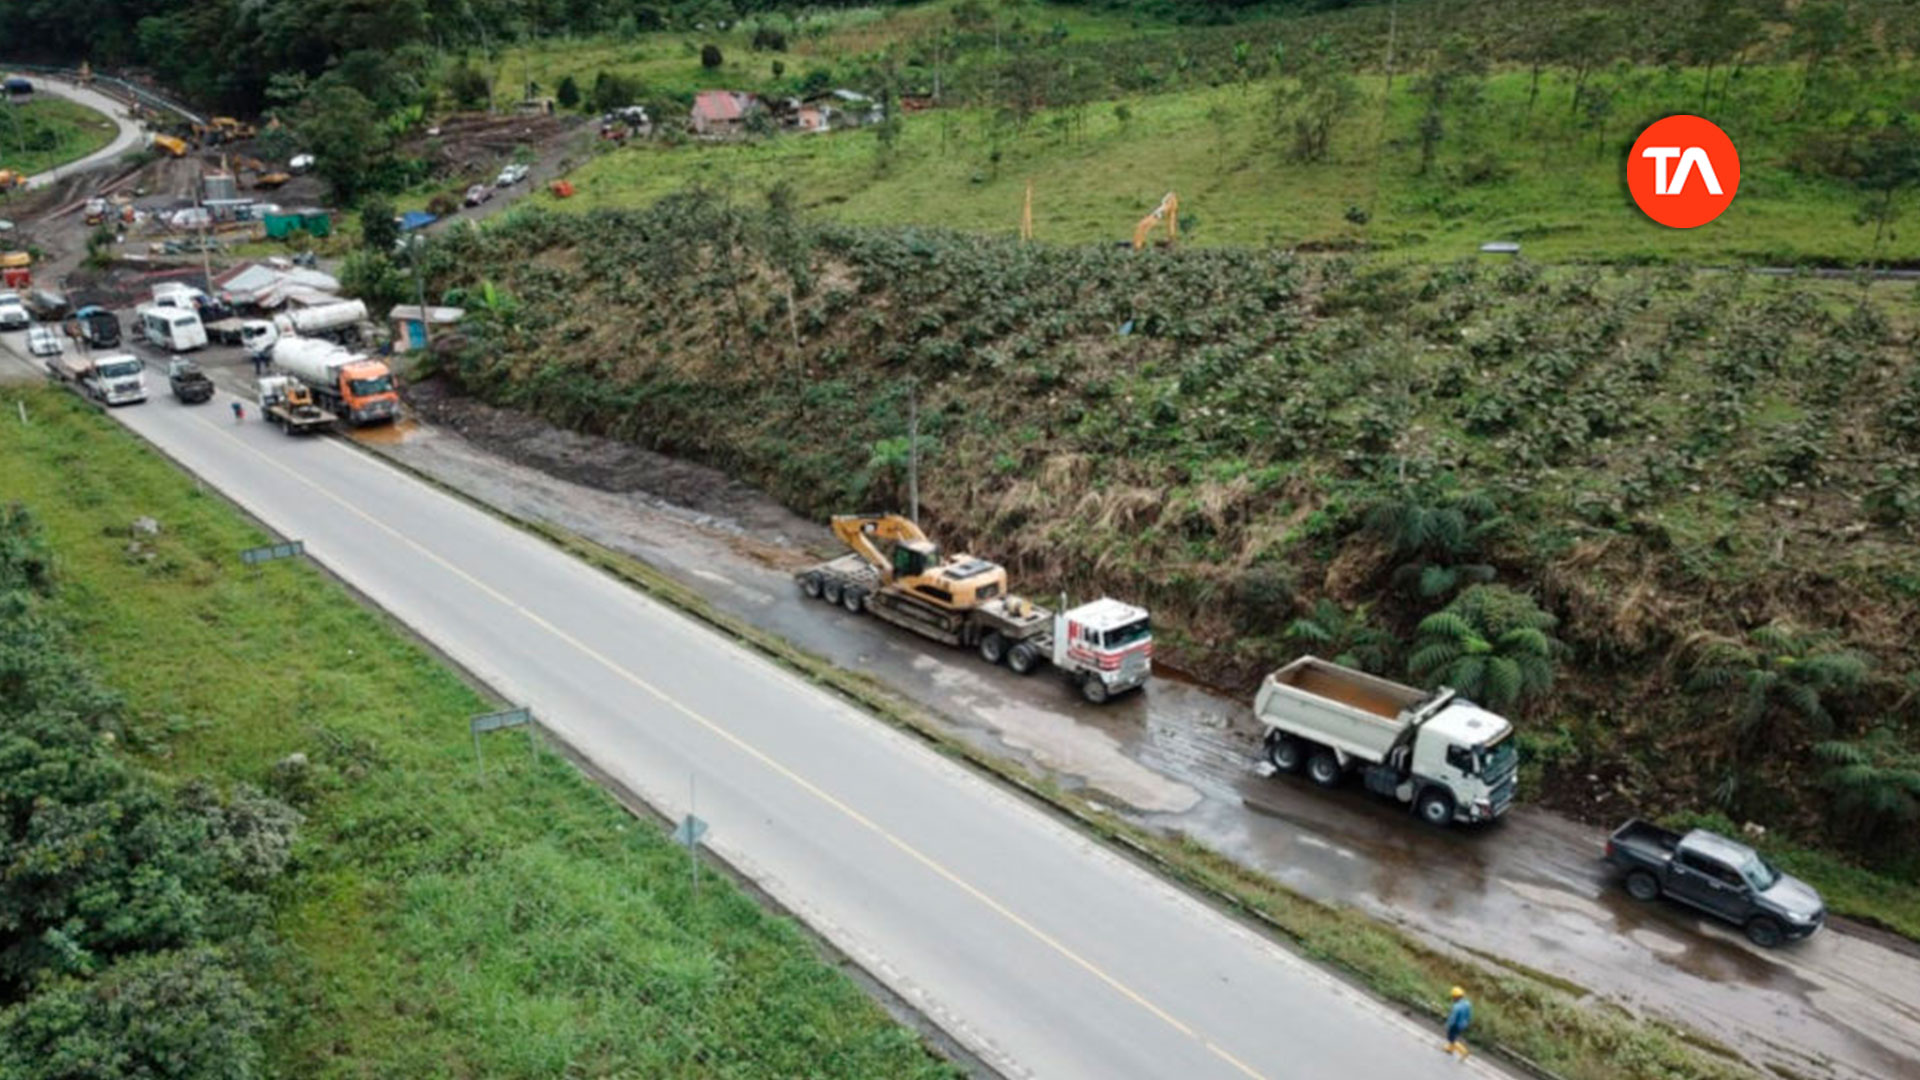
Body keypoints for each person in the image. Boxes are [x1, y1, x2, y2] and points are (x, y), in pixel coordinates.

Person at [1443, 986, 1473, 1061]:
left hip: (1455, 1025)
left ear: (1456, 997)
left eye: (1453, 997)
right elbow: (1469, 1015)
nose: (1452, 998)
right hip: (1463, 1024)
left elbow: (1453, 1018)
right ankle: (1450, 1049)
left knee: (1451, 1038)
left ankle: (1464, 1051)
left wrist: (1448, 1025)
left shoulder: (1457, 1007)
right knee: (1454, 1036)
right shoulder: (1467, 1004)